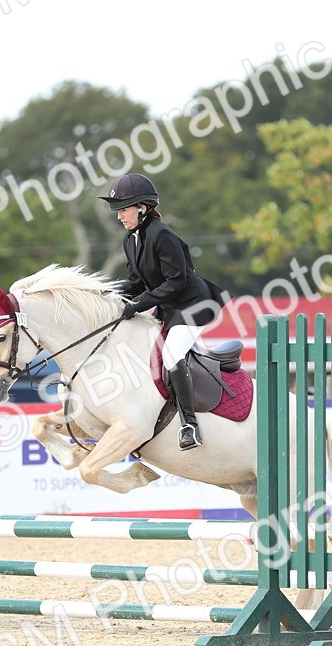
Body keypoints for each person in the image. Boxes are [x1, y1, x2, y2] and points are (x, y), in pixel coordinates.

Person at [98, 173, 227, 450]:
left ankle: (189, 425)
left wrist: (138, 305)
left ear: (142, 208)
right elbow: (135, 282)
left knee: (171, 354)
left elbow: (176, 281)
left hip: (193, 305)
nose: (119, 216)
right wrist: (107, 294)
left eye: (123, 210)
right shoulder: (130, 239)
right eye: (117, 211)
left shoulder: (161, 234)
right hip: (169, 307)